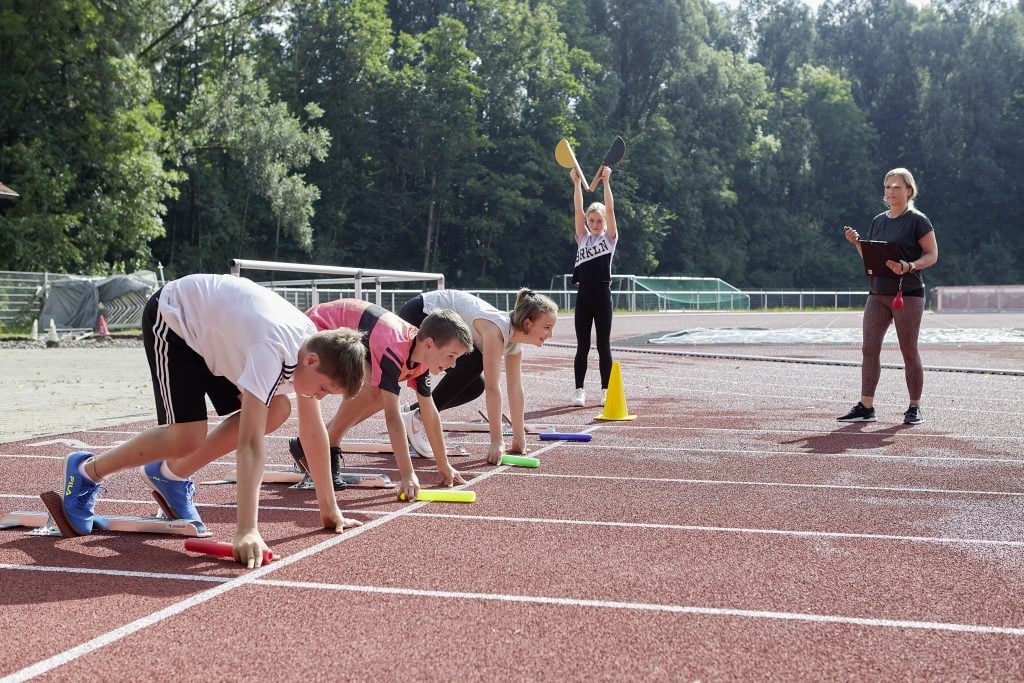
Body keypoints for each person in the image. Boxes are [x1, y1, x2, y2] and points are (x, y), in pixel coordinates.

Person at [58, 274, 367, 568]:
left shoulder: (308, 349)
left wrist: (330, 509)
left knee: (278, 410)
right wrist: (247, 530)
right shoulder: (271, 350)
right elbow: (250, 444)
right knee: (187, 437)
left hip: (217, 335)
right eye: (324, 388)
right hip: (176, 318)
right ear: (311, 360)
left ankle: (171, 475)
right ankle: (87, 471)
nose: (322, 397)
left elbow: (313, 434)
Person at [288, 298, 473, 500]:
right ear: (429, 344)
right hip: (320, 327)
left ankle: (316, 444)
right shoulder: (395, 349)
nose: (453, 365)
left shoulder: (421, 356)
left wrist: (443, 464)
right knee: (371, 389)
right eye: (451, 356)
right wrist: (407, 474)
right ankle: (324, 445)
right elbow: (393, 418)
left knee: (380, 394)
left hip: (354, 334)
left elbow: (430, 412)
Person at [398, 288, 559, 465]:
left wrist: (518, 438)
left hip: (437, 319)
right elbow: (493, 388)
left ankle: (413, 411)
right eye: (546, 327)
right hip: (421, 312)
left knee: (475, 387)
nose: (550, 335)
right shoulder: (496, 330)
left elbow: (515, 389)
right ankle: (419, 417)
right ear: (528, 324)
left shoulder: (514, 345)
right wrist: (497, 441)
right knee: (474, 363)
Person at [839, 167, 938, 425]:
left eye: (896, 187)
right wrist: (858, 244)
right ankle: (866, 406)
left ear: (909, 190)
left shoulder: (918, 220)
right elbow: (873, 257)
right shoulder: (878, 220)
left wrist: (909, 266)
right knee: (869, 348)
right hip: (878, 293)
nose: (891, 191)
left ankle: (914, 406)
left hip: (908, 294)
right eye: (887, 187)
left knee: (908, 350)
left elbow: (931, 255)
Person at [568, 165, 618, 408]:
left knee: (603, 345)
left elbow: (609, 207)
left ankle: (605, 390)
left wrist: (606, 182)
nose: (596, 223)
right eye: (593, 220)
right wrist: (577, 183)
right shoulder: (583, 237)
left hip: (602, 294)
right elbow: (577, 209)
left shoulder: (610, 239)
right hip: (584, 294)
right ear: (588, 221)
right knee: (583, 345)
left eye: (600, 221)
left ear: (605, 222)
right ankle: (579, 390)